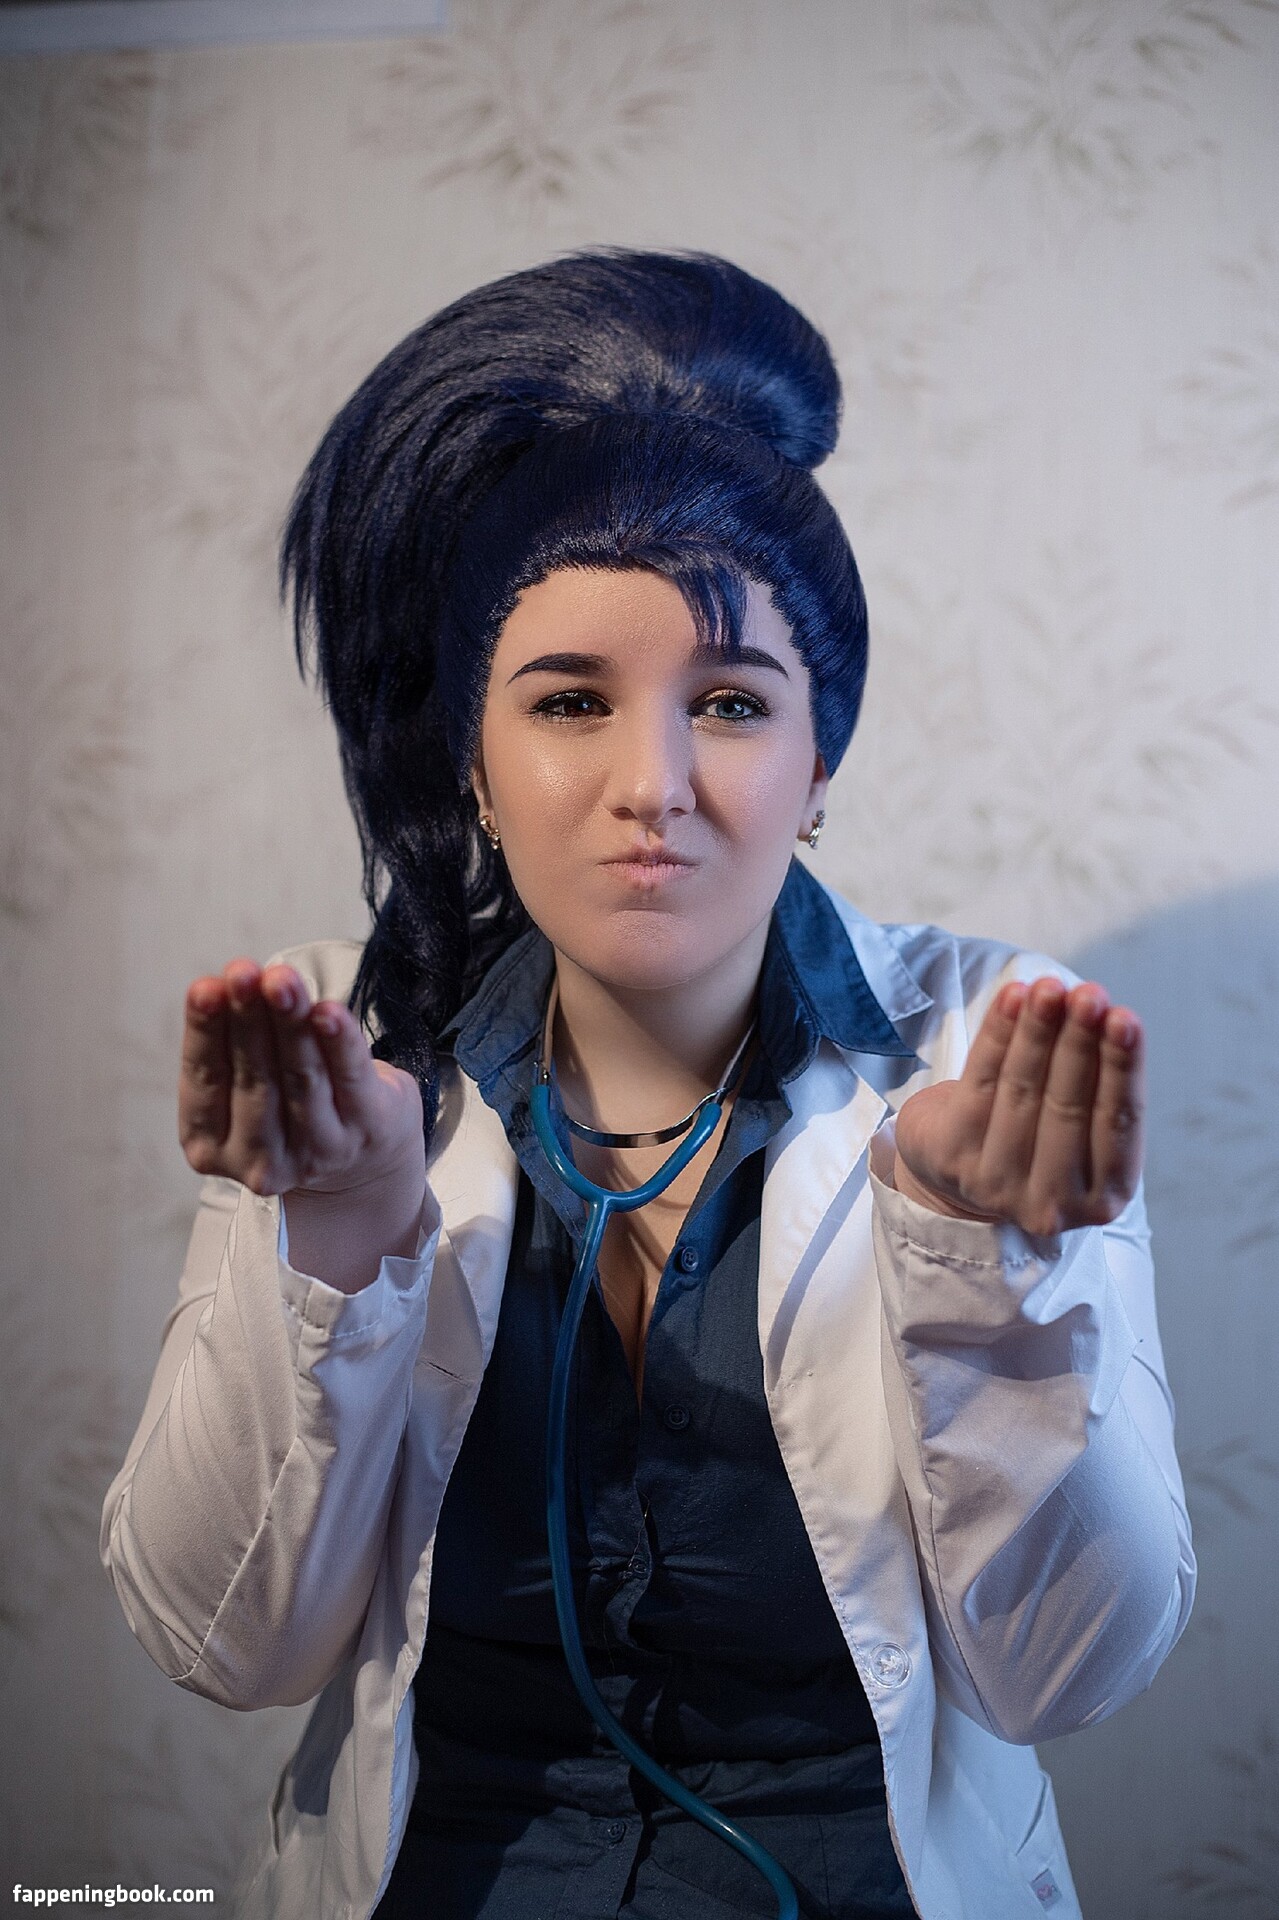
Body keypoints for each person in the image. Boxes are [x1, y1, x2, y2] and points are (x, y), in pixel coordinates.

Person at [101, 250, 1195, 1920]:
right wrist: (340, 1234)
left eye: (732, 703)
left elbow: (1068, 1673)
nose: (654, 784)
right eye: (569, 703)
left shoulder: (998, 1048)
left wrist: (980, 1272)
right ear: (474, 763)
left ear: (820, 762)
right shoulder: (336, 1054)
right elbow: (224, 1645)